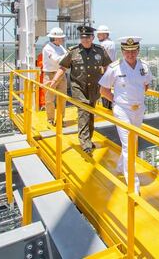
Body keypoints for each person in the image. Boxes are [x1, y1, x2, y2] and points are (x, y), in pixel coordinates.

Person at [46, 25, 112, 154]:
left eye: (88, 37)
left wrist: (108, 82)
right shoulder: (73, 51)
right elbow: (63, 67)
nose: (85, 40)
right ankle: (85, 143)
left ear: (93, 38)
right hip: (78, 87)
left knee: (90, 112)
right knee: (84, 110)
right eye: (83, 37)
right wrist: (54, 81)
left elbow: (107, 66)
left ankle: (89, 138)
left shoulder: (100, 51)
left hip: (94, 87)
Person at [99, 36, 152, 194]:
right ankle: (133, 185)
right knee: (129, 145)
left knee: (132, 142)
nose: (130, 54)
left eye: (133, 51)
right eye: (127, 51)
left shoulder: (144, 67)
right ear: (122, 51)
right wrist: (117, 102)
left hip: (139, 109)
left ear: (138, 51)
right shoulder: (115, 68)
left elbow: (146, 85)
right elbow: (103, 90)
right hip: (122, 110)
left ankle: (121, 166)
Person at [42, 27, 68, 126]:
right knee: (49, 99)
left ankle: (60, 119)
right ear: (55, 38)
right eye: (61, 38)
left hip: (60, 74)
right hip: (50, 75)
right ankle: (50, 119)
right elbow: (57, 60)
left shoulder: (60, 47)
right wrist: (68, 56)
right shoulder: (48, 48)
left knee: (62, 98)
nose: (62, 39)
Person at [97, 25, 116, 110]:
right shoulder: (111, 42)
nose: (97, 36)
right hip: (110, 69)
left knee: (104, 91)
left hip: (105, 70)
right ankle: (109, 108)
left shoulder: (105, 44)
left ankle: (107, 109)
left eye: (99, 34)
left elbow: (99, 58)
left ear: (105, 35)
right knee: (107, 91)